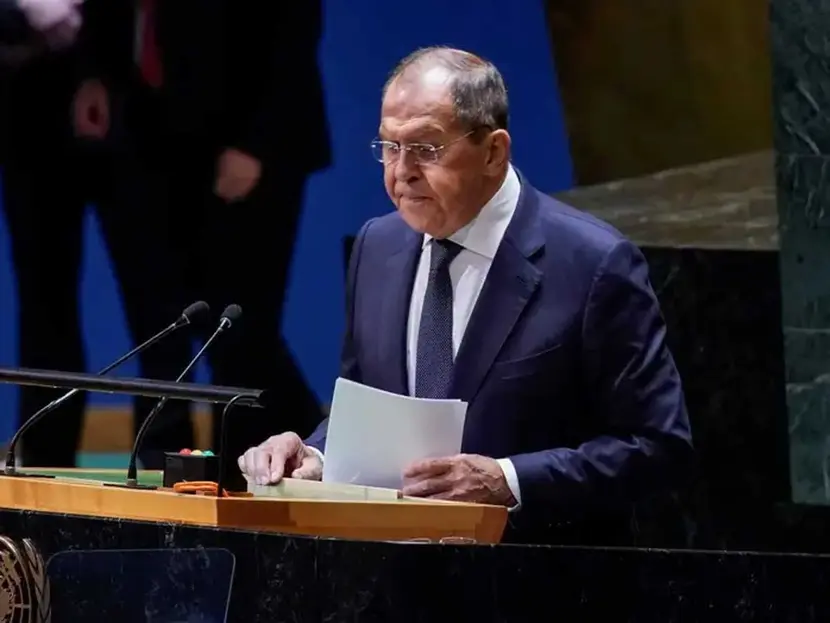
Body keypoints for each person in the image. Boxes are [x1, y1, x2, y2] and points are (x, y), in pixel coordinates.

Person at [238, 47, 693, 541]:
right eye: (390, 146)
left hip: (538, 568)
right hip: (395, 572)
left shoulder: (594, 264)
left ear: (493, 152)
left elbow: (657, 445)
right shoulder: (377, 247)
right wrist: (316, 455)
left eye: (425, 148)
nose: (402, 171)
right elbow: (369, 409)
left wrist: (508, 481)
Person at [71, 0, 330, 466]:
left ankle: (269, 461)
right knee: (158, 326)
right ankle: (164, 467)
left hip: (244, 138)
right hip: (143, 135)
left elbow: (291, 30)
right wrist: (93, 72)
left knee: (239, 329)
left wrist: (256, 143)